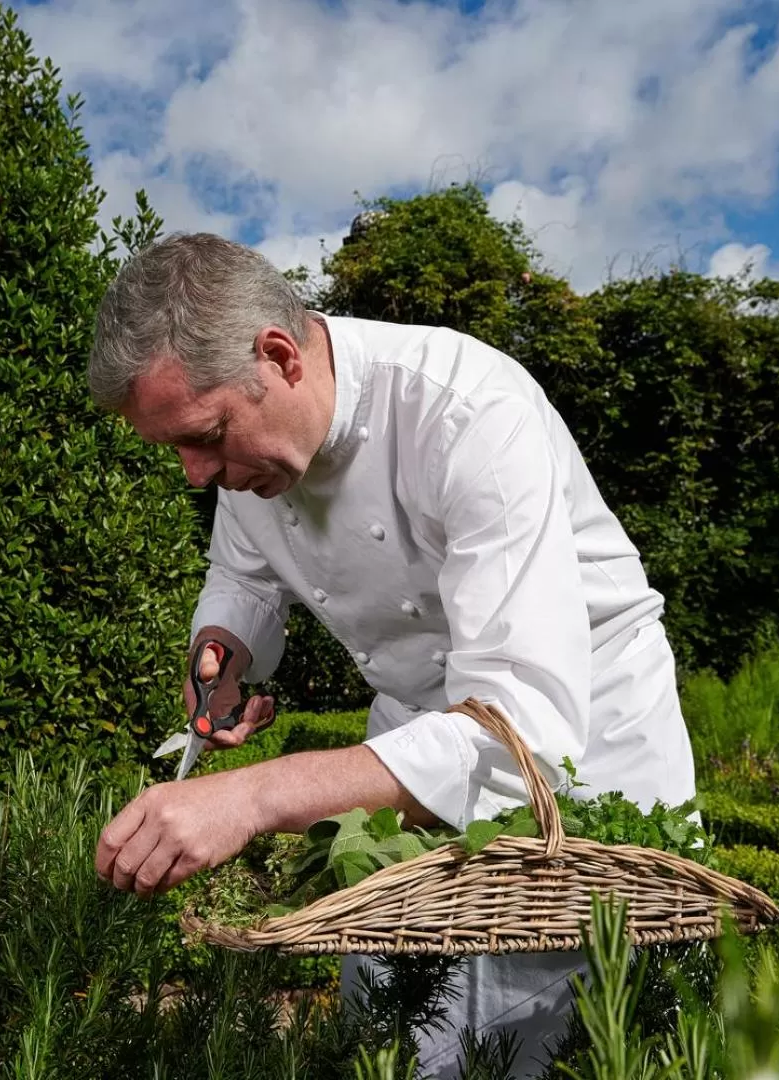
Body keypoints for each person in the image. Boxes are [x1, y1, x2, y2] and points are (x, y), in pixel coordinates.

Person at [87, 232, 697, 1077]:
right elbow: (244, 575)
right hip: (410, 739)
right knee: (396, 1032)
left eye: (208, 435)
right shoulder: (254, 461)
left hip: (582, 741)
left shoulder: (470, 412)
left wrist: (252, 796)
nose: (195, 475)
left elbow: (519, 728)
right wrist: (222, 651)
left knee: (568, 1043)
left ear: (280, 357)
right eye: (177, 450)